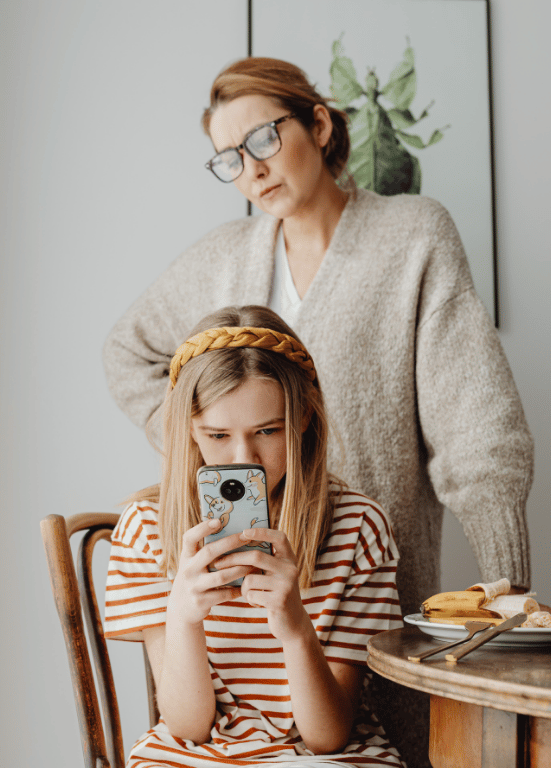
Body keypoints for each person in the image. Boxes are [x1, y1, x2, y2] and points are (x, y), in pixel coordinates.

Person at [102, 58, 533, 766]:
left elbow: (477, 424)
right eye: (228, 159)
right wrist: (203, 451)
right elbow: (129, 352)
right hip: (231, 631)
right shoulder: (222, 258)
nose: (252, 169)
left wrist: (508, 599)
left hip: (358, 584)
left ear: (320, 123)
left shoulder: (413, 235)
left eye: (265, 139)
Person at [104, 305, 406, 768]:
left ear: (304, 418)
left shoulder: (358, 528)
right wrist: (183, 618)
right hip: (194, 752)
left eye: (267, 430)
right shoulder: (147, 527)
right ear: (189, 429)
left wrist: (297, 631)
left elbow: (327, 738)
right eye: (218, 434)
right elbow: (188, 727)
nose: (244, 459)